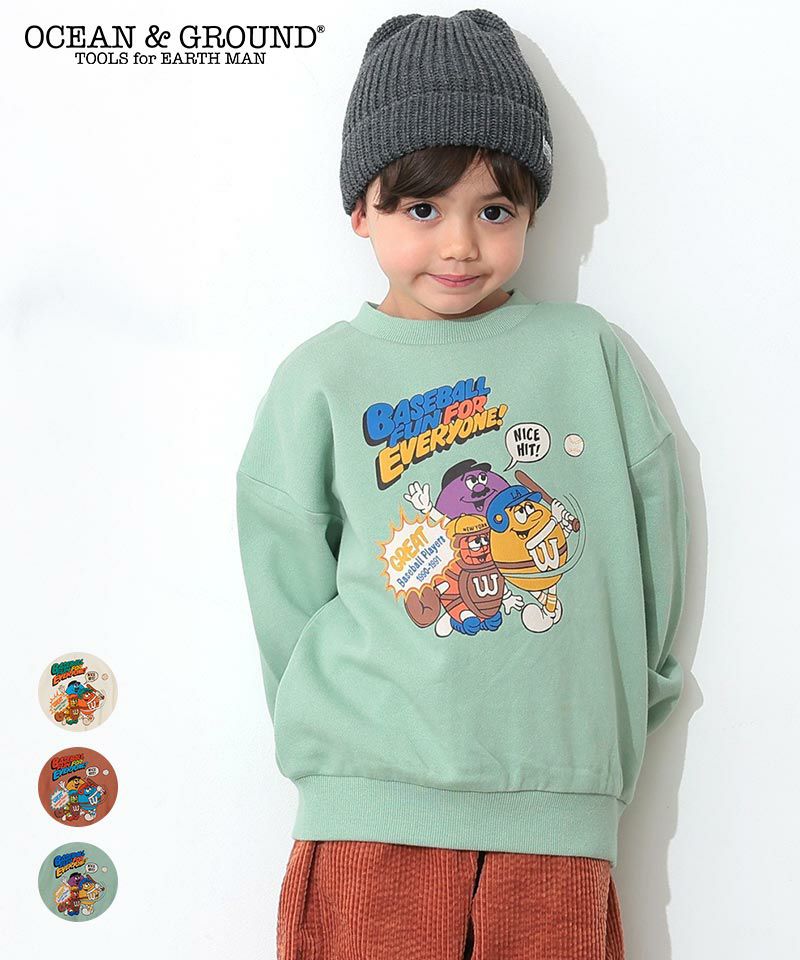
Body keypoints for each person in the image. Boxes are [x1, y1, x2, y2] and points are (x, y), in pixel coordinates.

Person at [236, 9, 689, 959]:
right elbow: (283, 585)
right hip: (366, 811)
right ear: (359, 210)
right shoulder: (321, 378)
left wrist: (624, 697)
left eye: (494, 211)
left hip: (559, 809)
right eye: (421, 209)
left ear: (531, 215)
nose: (459, 245)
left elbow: (652, 532)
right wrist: (327, 741)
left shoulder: (585, 354)